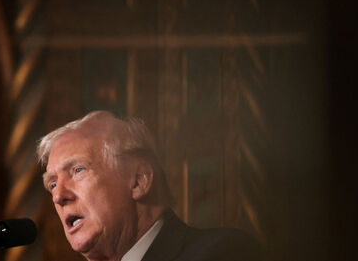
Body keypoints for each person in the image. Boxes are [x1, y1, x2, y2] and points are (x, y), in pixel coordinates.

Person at [37, 110, 260, 261]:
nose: (58, 196)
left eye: (77, 170)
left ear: (139, 181)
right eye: (53, 184)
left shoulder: (221, 253)